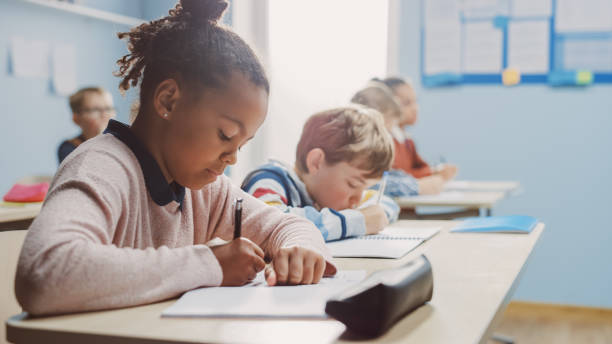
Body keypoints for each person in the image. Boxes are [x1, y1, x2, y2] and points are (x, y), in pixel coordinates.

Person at [15, 0, 335, 316]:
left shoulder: (205, 189)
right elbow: (45, 272)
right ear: (168, 100)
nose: (233, 158)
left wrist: (301, 251)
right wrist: (209, 264)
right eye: (225, 134)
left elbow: (287, 227)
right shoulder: (101, 167)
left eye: (243, 143)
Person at [241, 105, 399, 242]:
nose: (357, 200)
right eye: (353, 184)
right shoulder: (267, 180)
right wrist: (358, 221)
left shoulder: (331, 196)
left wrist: (374, 216)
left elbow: (387, 204)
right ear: (316, 162)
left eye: (365, 188)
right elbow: (267, 225)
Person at [351, 82, 449, 195]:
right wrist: (418, 187)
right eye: (386, 132)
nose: (387, 138)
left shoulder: (406, 141)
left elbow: (393, 174)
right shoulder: (358, 155)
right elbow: (372, 184)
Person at [373, 77, 458, 180]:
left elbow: (422, 167)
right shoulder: (385, 141)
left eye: (415, 101)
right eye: (407, 103)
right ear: (389, 105)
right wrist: (433, 172)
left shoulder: (408, 141)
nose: (415, 108)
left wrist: (437, 170)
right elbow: (398, 177)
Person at [57, 87, 116, 163]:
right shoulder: (69, 147)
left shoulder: (119, 144)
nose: (104, 114)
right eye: (95, 110)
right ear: (76, 119)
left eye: (108, 108)